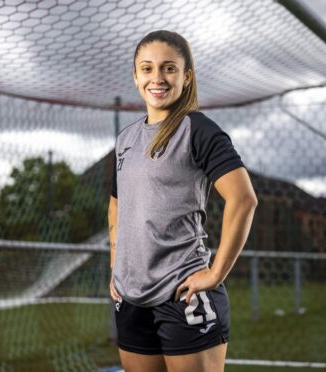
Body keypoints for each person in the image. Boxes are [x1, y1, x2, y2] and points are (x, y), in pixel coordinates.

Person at [108, 30, 257, 372]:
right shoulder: (125, 139)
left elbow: (243, 199)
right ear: (135, 75)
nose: (157, 78)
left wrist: (216, 273)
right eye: (147, 69)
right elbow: (117, 204)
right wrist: (115, 266)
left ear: (186, 76)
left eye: (168, 68)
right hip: (130, 297)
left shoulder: (198, 130)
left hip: (184, 294)